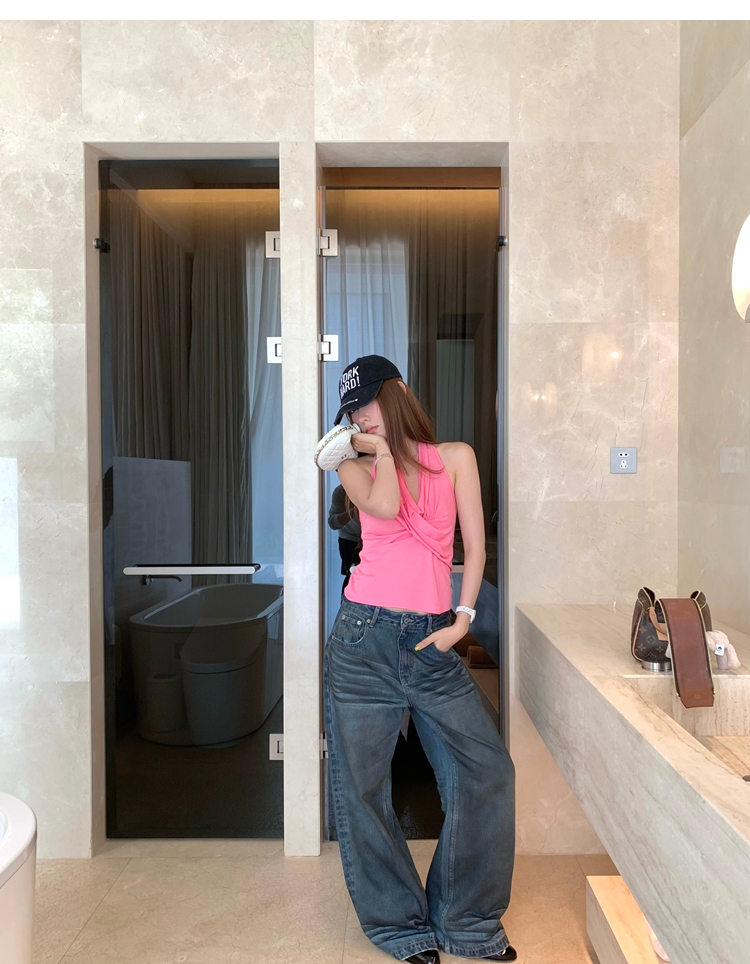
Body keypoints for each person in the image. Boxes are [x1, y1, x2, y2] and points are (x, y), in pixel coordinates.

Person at [324, 354, 516, 964]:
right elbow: (384, 507)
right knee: (362, 788)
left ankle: (466, 921)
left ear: (399, 391)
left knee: (487, 770)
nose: (362, 415)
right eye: (353, 409)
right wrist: (374, 448)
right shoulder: (353, 466)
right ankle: (399, 926)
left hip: (432, 639)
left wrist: (463, 620)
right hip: (363, 640)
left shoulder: (456, 457)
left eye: (369, 401)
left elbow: (473, 547)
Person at [328, 483, 362, 594]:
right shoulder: (341, 491)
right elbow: (333, 523)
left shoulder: (375, 485)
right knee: (351, 577)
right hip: (349, 541)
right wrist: (355, 510)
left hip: (374, 539)